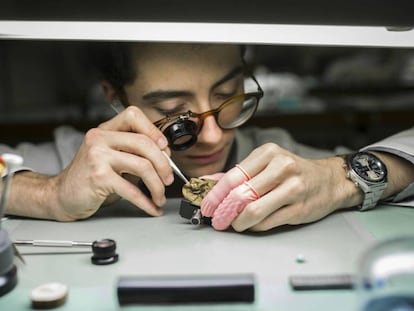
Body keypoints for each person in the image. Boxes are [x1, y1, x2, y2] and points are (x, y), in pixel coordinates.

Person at [1, 42, 413, 232]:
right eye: (173, 113)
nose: (214, 137)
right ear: (115, 98)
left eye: (225, 96)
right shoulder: (64, 159)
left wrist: (345, 178)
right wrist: (47, 193)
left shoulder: (283, 154)